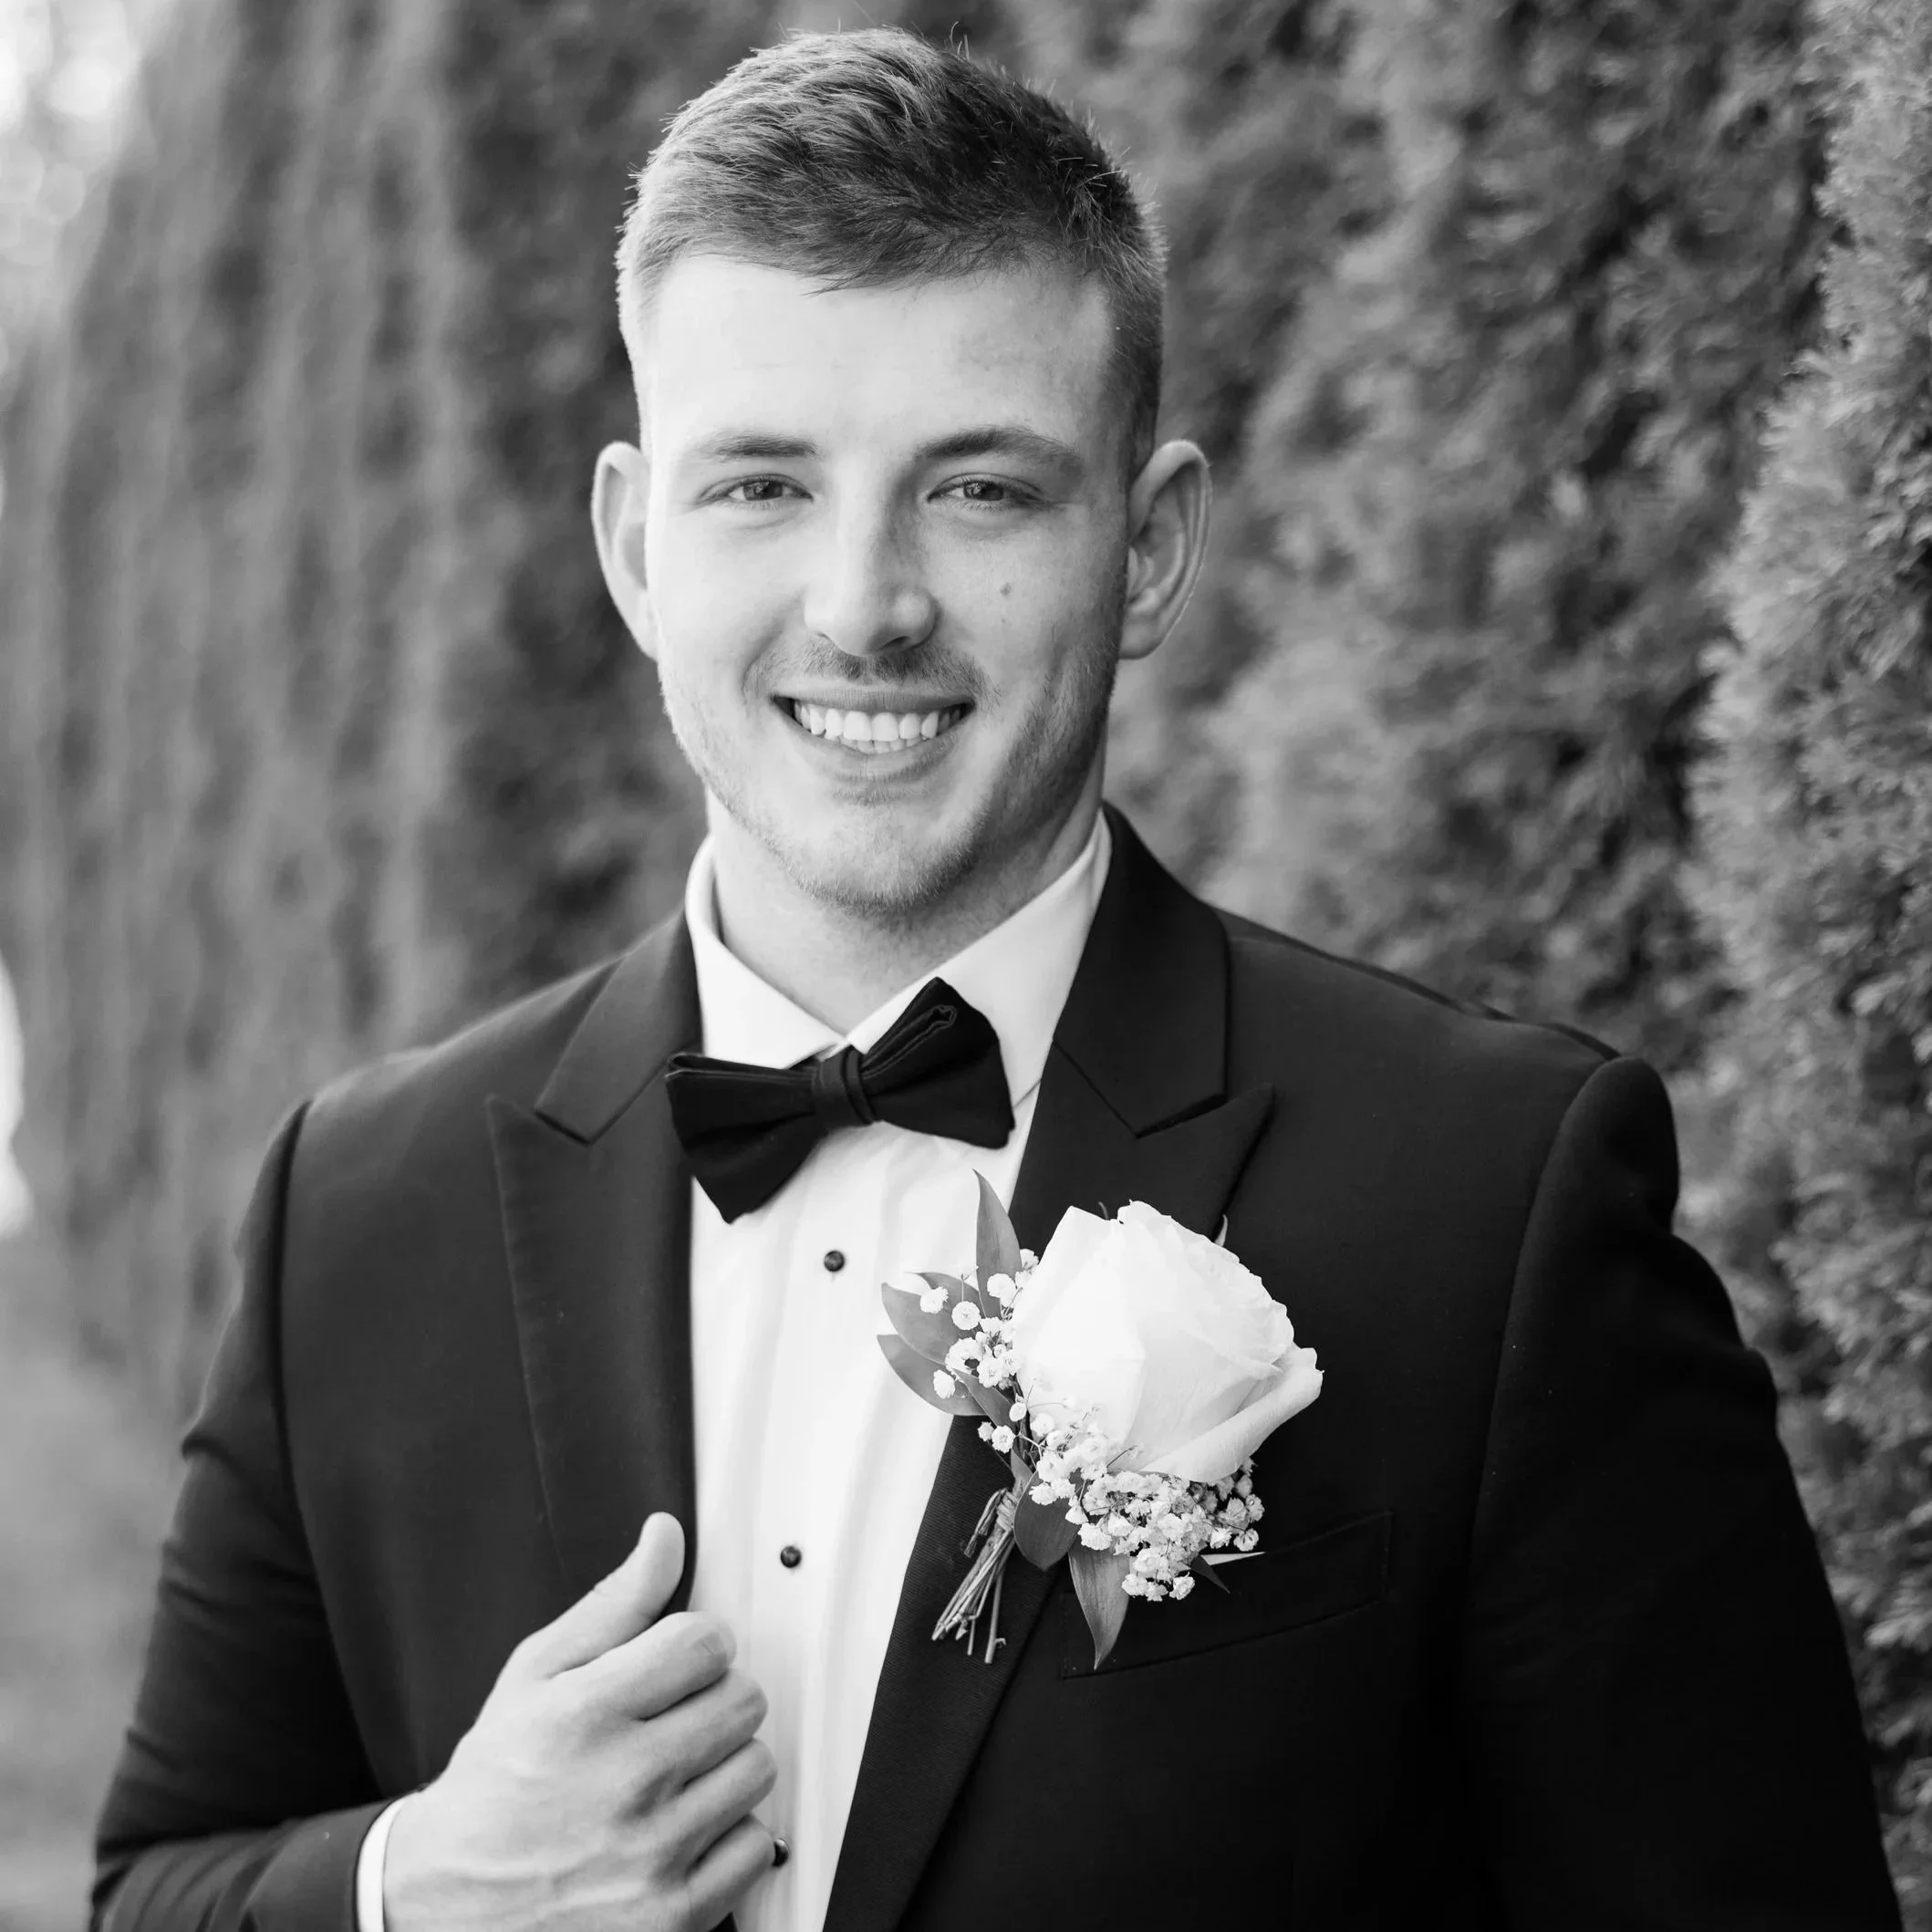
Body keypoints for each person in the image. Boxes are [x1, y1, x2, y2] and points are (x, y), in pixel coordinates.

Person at [91, 26, 1900, 1932]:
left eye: (980, 491)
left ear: (1152, 548)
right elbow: (151, 1891)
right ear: (635, 547)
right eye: (761, 488)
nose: (864, 603)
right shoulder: (356, 1212)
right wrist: (409, 1888)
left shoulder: (1495, 1207)